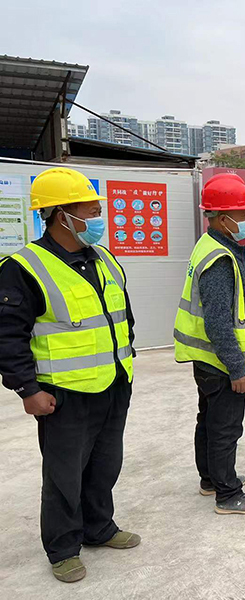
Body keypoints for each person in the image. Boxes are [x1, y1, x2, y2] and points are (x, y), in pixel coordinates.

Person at [0, 167, 139, 583]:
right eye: (91, 211)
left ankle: (99, 528)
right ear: (62, 215)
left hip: (112, 382)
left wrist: (126, 362)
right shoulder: (24, 267)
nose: (99, 218)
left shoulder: (103, 258)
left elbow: (122, 316)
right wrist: (27, 389)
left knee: (105, 464)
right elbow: (8, 334)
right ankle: (62, 549)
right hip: (63, 394)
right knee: (64, 475)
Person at [174, 173, 245, 514]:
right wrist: (237, 367)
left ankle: (210, 479)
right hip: (220, 361)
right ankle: (228, 494)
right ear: (222, 217)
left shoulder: (211, 245)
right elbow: (217, 321)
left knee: (209, 421)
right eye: (242, 214)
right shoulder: (220, 259)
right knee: (225, 427)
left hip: (208, 360)